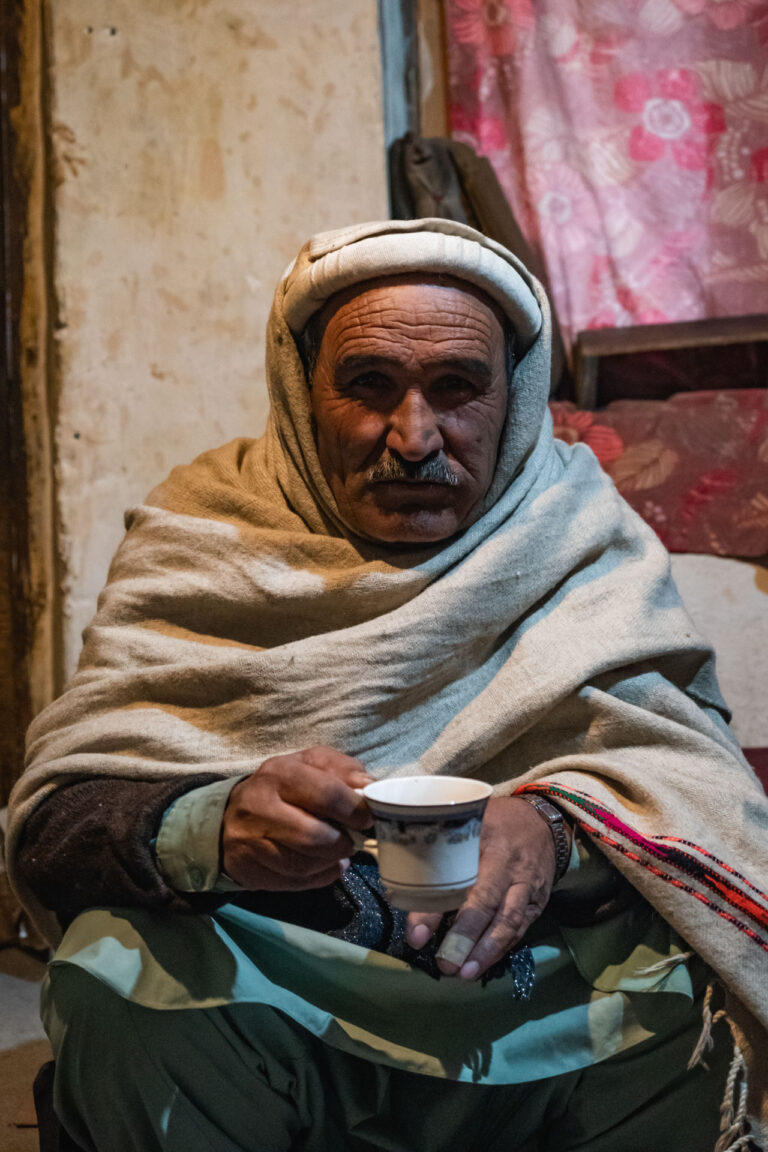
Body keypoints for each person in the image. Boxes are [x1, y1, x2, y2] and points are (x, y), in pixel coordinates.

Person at [7, 219, 768, 1152]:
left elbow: (696, 788)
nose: (413, 438)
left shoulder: (574, 528)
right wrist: (215, 824)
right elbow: (54, 833)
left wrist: (557, 831)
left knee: (696, 1009)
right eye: (369, 386)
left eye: (457, 389)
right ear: (301, 391)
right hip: (272, 982)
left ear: (516, 399)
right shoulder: (206, 530)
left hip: (534, 990)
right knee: (113, 974)